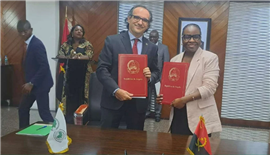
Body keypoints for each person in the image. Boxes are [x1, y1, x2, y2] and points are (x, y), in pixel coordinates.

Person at [96, 5, 160, 130]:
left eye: (145, 20)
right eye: (137, 17)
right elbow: (102, 70)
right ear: (128, 18)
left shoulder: (152, 47)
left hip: (138, 105)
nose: (140, 22)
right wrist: (116, 90)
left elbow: (156, 71)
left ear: (148, 24)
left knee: (135, 144)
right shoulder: (112, 41)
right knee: (108, 142)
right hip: (113, 101)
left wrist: (150, 76)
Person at [156, 23, 222, 135]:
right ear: (182, 39)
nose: (191, 40)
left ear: (200, 39)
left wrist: (184, 100)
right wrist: (163, 97)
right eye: (187, 37)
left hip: (200, 114)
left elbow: (209, 88)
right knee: (176, 149)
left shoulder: (210, 58)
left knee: (198, 151)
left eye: (195, 37)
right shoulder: (174, 60)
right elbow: (171, 85)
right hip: (178, 114)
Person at [17, 20, 54, 128]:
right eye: (20, 32)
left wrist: (32, 83)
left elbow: (44, 67)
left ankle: (58, 134)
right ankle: (23, 133)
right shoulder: (28, 44)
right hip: (31, 85)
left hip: (40, 85)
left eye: (25, 31)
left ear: (31, 30)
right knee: (23, 109)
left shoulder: (37, 44)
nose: (22, 34)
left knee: (44, 114)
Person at [57, 24, 94, 124]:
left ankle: (81, 117)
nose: (79, 32)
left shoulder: (87, 44)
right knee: (68, 97)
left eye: (81, 31)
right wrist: (69, 56)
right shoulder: (66, 44)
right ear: (72, 33)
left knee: (81, 96)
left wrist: (78, 57)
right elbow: (60, 55)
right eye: (77, 30)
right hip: (69, 75)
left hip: (82, 75)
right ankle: (67, 118)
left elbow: (89, 56)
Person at [147, 30, 170, 122]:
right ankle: (147, 112)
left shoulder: (164, 48)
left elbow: (166, 64)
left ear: (158, 37)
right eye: (151, 37)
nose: (152, 39)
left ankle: (157, 114)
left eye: (154, 37)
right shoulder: (146, 46)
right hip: (148, 77)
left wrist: (163, 78)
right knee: (147, 95)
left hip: (159, 78)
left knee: (158, 97)